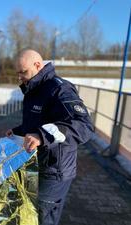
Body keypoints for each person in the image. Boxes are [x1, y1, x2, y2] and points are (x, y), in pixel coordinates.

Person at [6, 49, 94, 225]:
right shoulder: (34, 89)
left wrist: (41, 135)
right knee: (28, 213)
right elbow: (37, 123)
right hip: (35, 164)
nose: (20, 78)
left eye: (23, 72)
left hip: (55, 170)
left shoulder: (59, 89)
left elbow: (84, 126)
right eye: (18, 73)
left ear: (37, 65)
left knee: (42, 218)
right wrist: (18, 131)